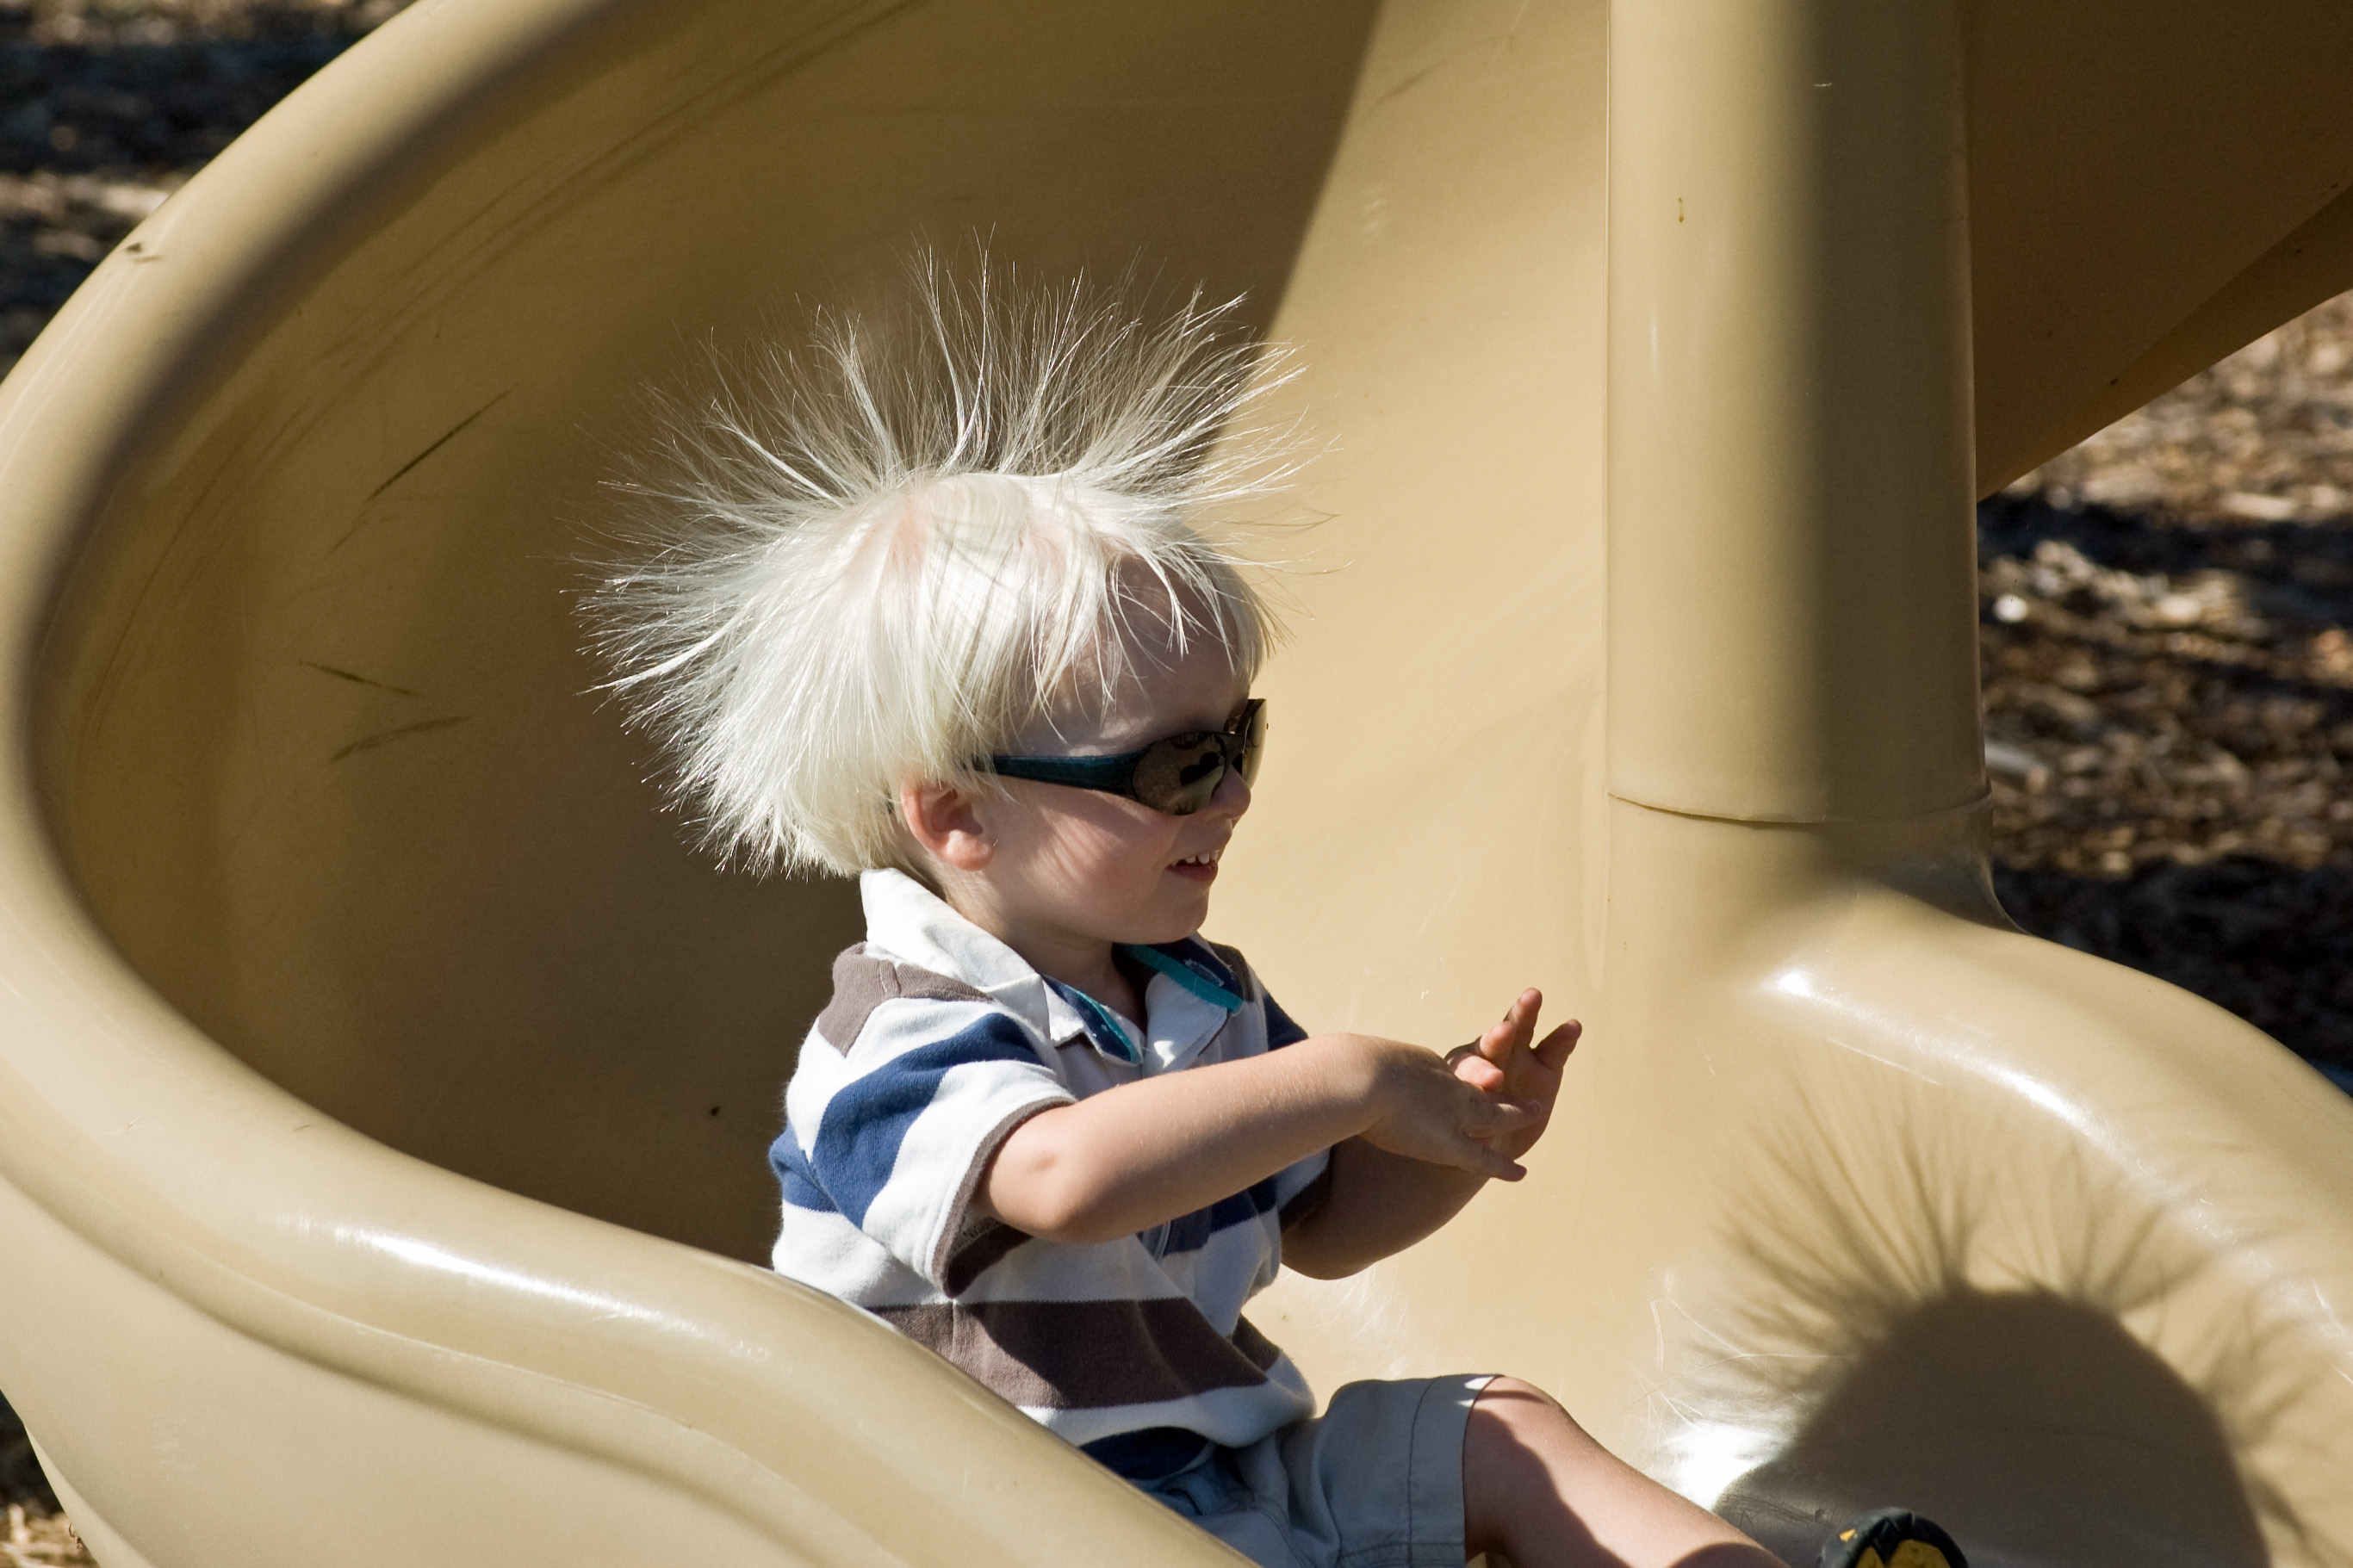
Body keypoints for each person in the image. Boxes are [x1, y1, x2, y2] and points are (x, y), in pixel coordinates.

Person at [588, 259, 1962, 1568]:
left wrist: (1440, 1141)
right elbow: (1063, 1180)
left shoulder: (1196, 995)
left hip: (1228, 1481)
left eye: (1238, 737)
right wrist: (1345, 1075)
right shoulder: (892, 1034)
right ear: (957, 816)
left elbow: (1322, 1226)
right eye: (1178, 765)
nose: (1232, 794)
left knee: (1499, 1430)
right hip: (985, 1524)